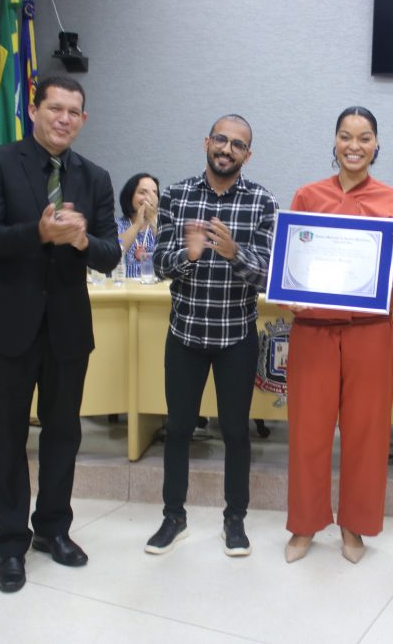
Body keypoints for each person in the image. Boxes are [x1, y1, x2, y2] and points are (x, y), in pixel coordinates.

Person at [0, 75, 120, 593]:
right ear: (33, 110)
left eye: (74, 111)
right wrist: (39, 232)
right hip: (6, 324)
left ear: (83, 120)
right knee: (5, 436)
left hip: (67, 327)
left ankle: (53, 529)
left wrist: (82, 242)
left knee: (63, 433)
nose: (64, 119)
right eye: (55, 108)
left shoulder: (95, 177)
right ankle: (10, 543)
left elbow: (110, 254)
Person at [284, 106, 393, 565]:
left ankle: (354, 525)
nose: (354, 146)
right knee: (308, 431)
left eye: (364, 138)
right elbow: (291, 261)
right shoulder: (308, 195)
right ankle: (304, 524)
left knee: (367, 433)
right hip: (313, 332)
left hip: (371, 333)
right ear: (335, 141)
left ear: (376, 145)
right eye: (346, 136)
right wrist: (289, 293)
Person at [146, 114, 278, 557]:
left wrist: (234, 253)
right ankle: (173, 517)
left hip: (236, 335)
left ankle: (234, 520)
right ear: (206, 142)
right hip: (185, 332)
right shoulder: (176, 194)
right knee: (179, 428)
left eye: (237, 144)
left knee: (236, 431)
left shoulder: (262, 202)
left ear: (247, 155)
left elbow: (269, 275)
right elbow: (158, 263)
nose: (227, 149)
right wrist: (189, 254)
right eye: (220, 139)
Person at [116, 172, 159, 277]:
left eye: (154, 193)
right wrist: (137, 225)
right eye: (143, 192)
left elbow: (169, 256)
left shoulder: (162, 226)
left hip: (153, 287)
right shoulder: (115, 224)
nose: (149, 198)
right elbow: (113, 253)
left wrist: (153, 220)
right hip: (121, 286)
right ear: (130, 195)